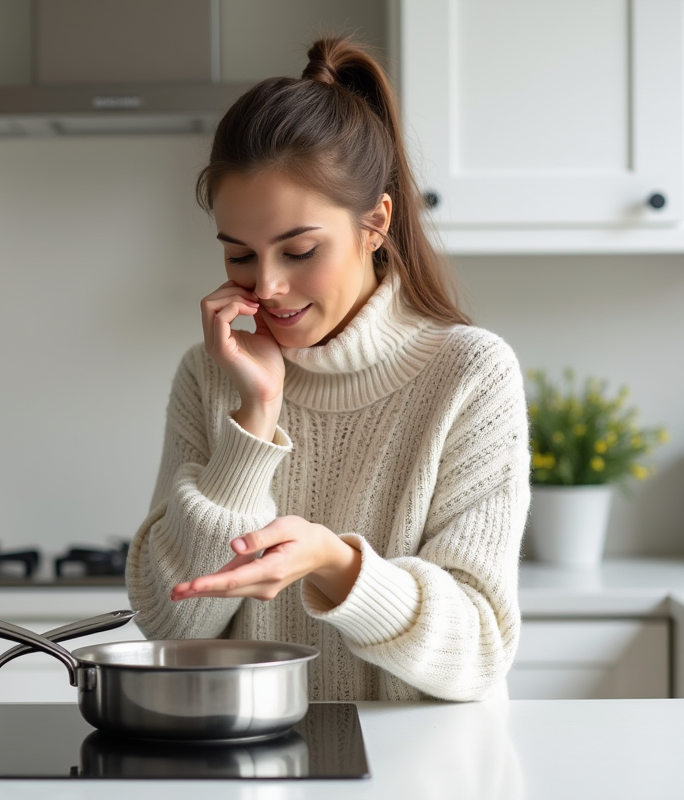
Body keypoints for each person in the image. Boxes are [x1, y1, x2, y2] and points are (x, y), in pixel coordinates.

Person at [125, 37, 529, 702]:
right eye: (240, 256)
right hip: (245, 764)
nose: (269, 286)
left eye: (300, 250)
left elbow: (480, 651)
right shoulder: (210, 375)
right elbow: (168, 622)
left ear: (375, 224)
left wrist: (336, 566)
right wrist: (253, 422)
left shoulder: (470, 374)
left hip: (417, 774)